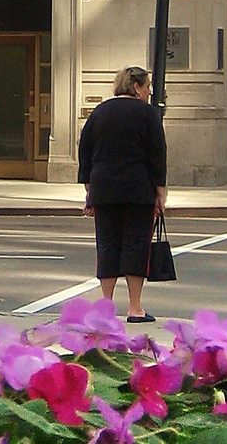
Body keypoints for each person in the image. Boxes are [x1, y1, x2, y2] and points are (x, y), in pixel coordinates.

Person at [78, 65, 167, 323]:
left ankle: (106, 307)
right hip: (138, 190)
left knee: (107, 245)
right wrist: (160, 193)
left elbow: (86, 151)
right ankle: (134, 307)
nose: (149, 92)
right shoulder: (148, 114)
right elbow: (157, 155)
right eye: (147, 86)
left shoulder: (100, 112)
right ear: (137, 87)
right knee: (136, 246)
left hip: (104, 189)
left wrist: (89, 189)